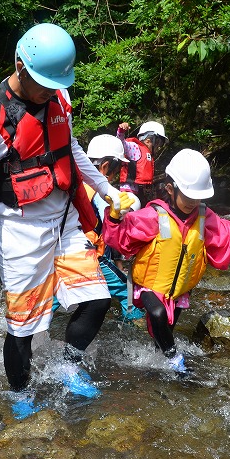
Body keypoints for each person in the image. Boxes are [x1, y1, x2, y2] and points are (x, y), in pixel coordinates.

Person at [0, 23, 123, 414]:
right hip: (19, 228)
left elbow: (71, 150)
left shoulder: (57, 98)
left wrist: (106, 190)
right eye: (44, 83)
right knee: (24, 325)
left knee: (97, 301)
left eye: (55, 84)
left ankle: (68, 366)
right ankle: (21, 394)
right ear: (20, 65)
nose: (50, 91)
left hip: (64, 219)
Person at [104, 149, 230, 375]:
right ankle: (176, 362)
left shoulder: (203, 216)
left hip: (178, 292)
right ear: (170, 188)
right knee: (158, 316)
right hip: (151, 285)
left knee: (162, 336)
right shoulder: (153, 215)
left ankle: (155, 373)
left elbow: (226, 234)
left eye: (198, 196)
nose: (193, 202)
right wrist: (114, 216)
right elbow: (120, 240)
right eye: (188, 196)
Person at [81, 133, 143, 321]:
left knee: (56, 293)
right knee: (128, 293)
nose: (116, 174)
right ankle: (139, 334)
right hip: (93, 257)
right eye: (117, 168)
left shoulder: (79, 183)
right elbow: (112, 227)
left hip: (68, 253)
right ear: (106, 166)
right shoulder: (102, 193)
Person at [116, 120, 167, 204]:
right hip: (129, 192)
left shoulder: (148, 154)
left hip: (140, 192)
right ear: (148, 140)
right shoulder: (135, 148)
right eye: (158, 143)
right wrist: (121, 131)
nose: (158, 147)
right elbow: (120, 144)